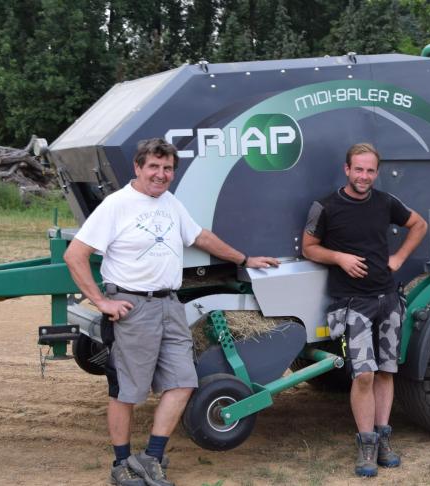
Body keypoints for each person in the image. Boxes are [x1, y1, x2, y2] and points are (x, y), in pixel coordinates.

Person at [64, 138, 280, 486]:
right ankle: (121, 464)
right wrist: (102, 302)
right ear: (138, 168)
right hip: (132, 308)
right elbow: (75, 255)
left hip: (170, 304)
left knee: (182, 382)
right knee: (127, 392)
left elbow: (201, 237)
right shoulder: (116, 205)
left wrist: (244, 259)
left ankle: (152, 458)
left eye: (167, 169)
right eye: (154, 167)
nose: (161, 175)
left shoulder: (170, 204)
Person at [302, 143, 427, 477]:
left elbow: (419, 225)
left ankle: (383, 438)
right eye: (358, 169)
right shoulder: (326, 207)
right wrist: (339, 257)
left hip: (388, 299)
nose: (364, 176)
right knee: (364, 374)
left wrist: (398, 258)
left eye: (370, 170)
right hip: (351, 304)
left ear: (376, 172)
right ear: (347, 170)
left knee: (386, 370)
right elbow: (308, 248)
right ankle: (366, 443)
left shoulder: (386, 203)